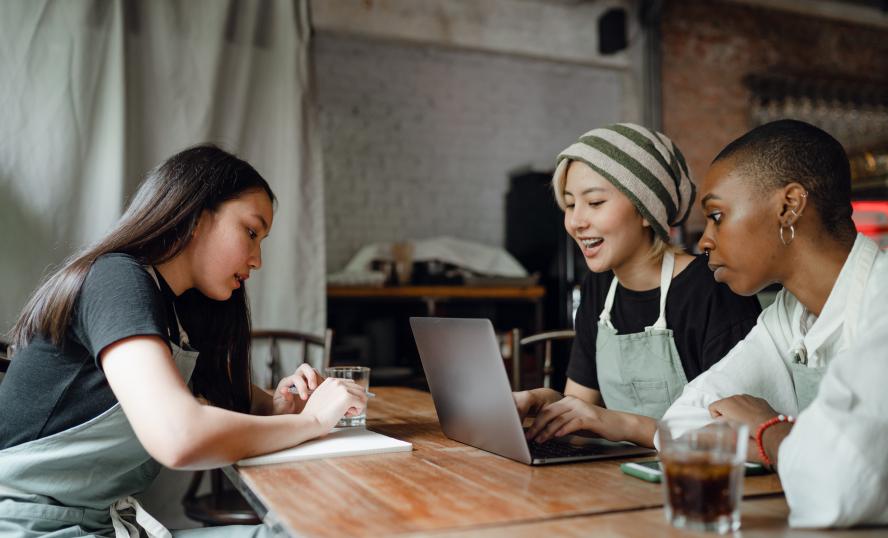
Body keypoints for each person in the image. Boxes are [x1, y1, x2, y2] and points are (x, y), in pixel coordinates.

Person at [0, 145, 368, 537]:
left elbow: (220, 397)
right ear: (195, 216)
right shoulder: (116, 279)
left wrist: (277, 405)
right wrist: (313, 421)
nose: (257, 259)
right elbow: (179, 435)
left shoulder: (175, 311)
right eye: (250, 231)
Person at [658, 119, 888, 527]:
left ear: (789, 206)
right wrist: (804, 449)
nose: (704, 241)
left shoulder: (882, 298)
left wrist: (768, 432)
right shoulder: (787, 316)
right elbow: (678, 428)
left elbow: (840, 487)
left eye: (717, 215)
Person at [514, 123, 761, 448]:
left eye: (595, 202)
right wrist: (543, 401)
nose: (576, 221)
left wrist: (624, 424)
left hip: (696, 482)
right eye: (571, 204)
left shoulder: (713, 289)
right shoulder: (600, 287)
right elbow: (580, 406)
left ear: (647, 210)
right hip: (616, 478)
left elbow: (736, 436)